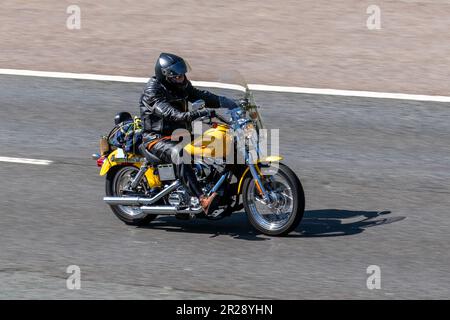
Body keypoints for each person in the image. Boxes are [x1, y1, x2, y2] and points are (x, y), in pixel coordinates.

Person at [139, 52, 226, 215]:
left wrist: (226, 102)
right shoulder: (152, 91)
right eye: (177, 76)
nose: (182, 78)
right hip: (156, 139)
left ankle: (215, 186)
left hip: (181, 135)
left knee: (216, 142)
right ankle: (202, 199)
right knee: (180, 153)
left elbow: (199, 95)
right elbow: (171, 113)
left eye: (182, 74)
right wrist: (196, 114)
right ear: (166, 76)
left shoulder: (181, 85)